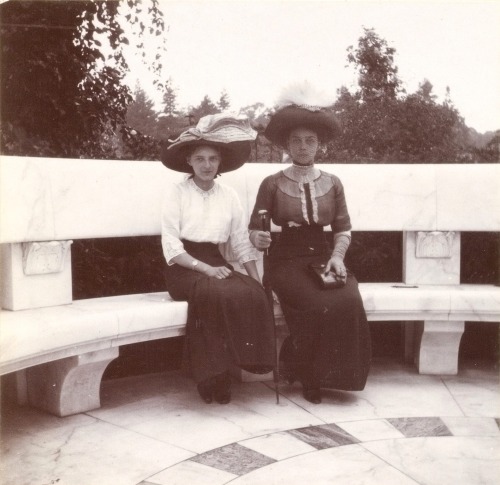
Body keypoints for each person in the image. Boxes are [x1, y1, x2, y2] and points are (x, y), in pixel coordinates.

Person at [249, 87, 371, 404]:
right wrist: (258, 237)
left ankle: (336, 376)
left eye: (310, 141)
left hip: (323, 257)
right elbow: (255, 227)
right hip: (285, 261)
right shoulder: (272, 183)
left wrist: (338, 258)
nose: (303, 147)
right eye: (297, 141)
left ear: (321, 145)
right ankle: (309, 376)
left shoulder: (333, 182)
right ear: (287, 145)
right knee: (315, 304)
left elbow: (342, 228)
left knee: (347, 298)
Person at [160, 113, 275, 405]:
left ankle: (232, 368)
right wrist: (206, 269)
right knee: (212, 292)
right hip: (184, 266)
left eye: (212, 158)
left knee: (249, 292)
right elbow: (171, 246)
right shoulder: (177, 193)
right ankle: (211, 377)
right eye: (200, 159)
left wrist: (256, 280)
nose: (207, 165)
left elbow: (239, 241)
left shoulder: (229, 195)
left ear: (220, 161)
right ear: (189, 161)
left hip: (215, 262)